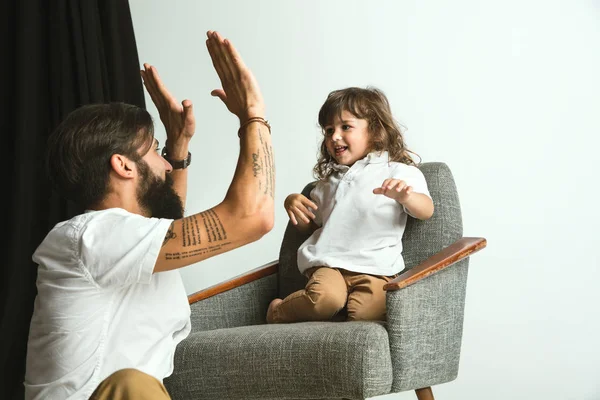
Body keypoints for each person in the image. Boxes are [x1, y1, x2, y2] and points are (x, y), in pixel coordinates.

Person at [24, 30, 275, 400]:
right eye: (155, 151)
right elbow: (252, 217)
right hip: (121, 393)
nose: (166, 165)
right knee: (133, 383)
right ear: (123, 165)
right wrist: (253, 115)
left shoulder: (114, 240)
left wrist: (178, 149)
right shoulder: (91, 237)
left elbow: (170, 229)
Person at [266, 87, 433, 324]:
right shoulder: (327, 183)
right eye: (329, 130)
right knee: (324, 300)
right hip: (329, 265)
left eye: (346, 127)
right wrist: (291, 202)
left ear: (375, 131)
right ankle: (277, 311)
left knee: (365, 316)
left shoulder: (398, 171)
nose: (334, 136)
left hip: (376, 268)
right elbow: (312, 227)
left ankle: (340, 316)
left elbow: (426, 210)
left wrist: (406, 197)